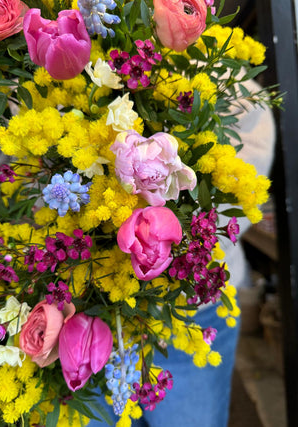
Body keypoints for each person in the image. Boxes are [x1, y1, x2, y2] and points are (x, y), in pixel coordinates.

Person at [87, 76, 276, 427]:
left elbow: (245, 184)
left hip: (193, 310)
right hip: (87, 313)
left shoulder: (232, 86)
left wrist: (157, 235)